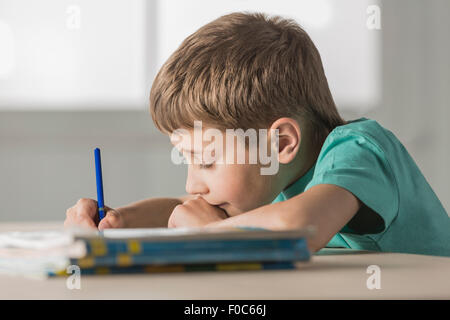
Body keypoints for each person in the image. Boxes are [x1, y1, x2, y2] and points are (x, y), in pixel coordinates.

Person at [64, 12, 450, 256]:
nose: (193, 181)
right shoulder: (274, 176)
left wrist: (211, 233)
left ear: (280, 143)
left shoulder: (358, 149)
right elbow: (182, 209)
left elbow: (300, 227)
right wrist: (117, 220)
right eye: (188, 158)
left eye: (207, 160)